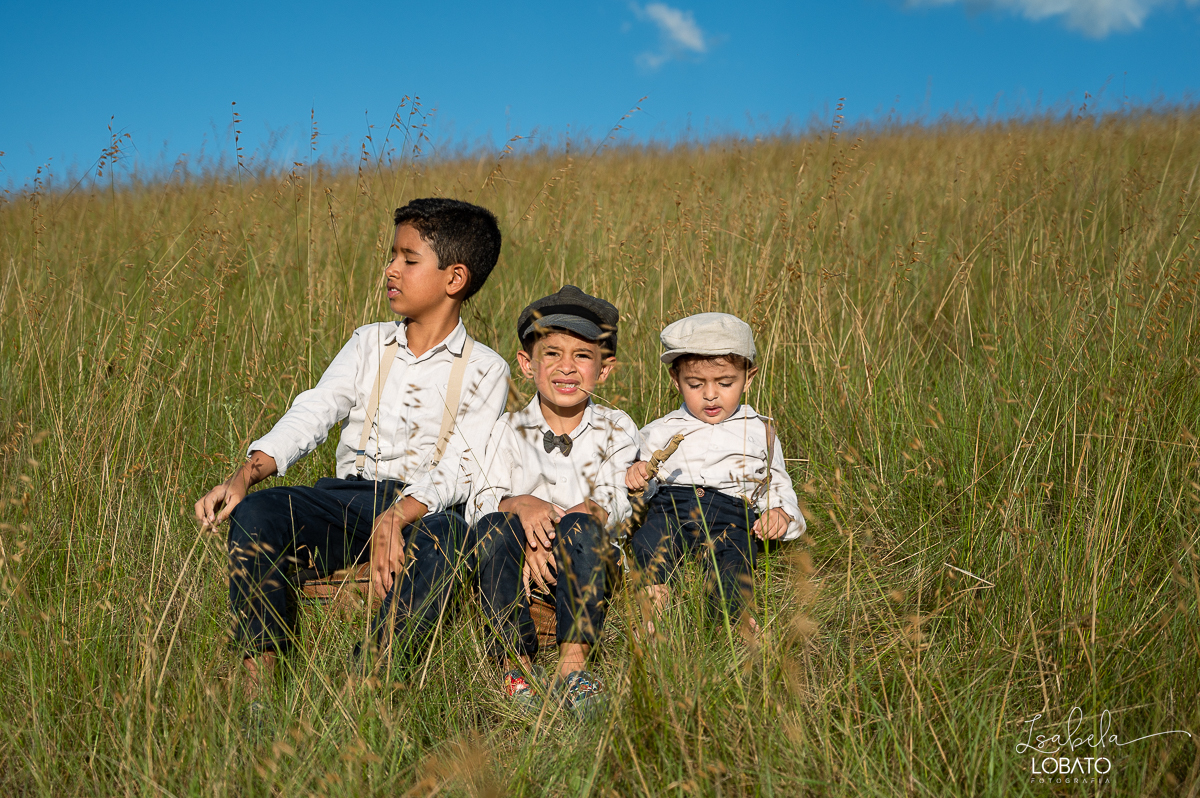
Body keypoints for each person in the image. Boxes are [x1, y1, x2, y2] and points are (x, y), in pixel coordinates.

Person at [194, 197, 510, 692]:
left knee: (449, 536)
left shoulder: (487, 368)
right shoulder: (369, 342)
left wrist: (398, 515)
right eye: (392, 256)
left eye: (408, 259)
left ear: (455, 279)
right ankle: (259, 678)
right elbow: (315, 409)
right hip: (344, 499)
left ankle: (374, 672)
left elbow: (462, 467)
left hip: (422, 510)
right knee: (258, 513)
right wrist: (247, 473)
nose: (391, 270)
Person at [470, 285, 637, 719]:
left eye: (583, 356)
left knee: (582, 523)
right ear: (527, 364)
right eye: (551, 354)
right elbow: (480, 499)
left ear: (604, 369)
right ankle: (515, 667)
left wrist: (583, 515)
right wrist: (520, 508)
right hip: (521, 569)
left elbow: (621, 498)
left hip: (587, 560)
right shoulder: (506, 429)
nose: (567, 367)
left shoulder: (617, 428)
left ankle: (572, 669)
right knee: (492, 526)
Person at [624, 312, 805, 642]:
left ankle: (735, 621)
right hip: (671, 509)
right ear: (676, 380)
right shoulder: (658, 430)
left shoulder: (759, 431)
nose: (710, 395)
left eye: (725, 383)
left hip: (732, 516)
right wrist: (639, 476)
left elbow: (775, 481)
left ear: (747, 379)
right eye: (695, 385)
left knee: (735, 559)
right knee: (648, 543)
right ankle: (654, 610)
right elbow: (643, 479)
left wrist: (781, 513)